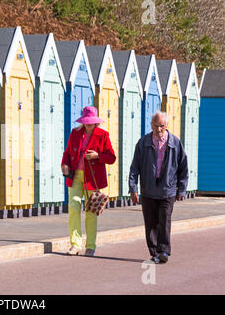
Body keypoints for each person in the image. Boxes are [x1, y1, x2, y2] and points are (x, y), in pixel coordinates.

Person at [129, 112, 188, 264]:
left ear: (167, 125)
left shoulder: (175, 143)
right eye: (156, 125)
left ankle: (164, 251)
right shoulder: (143, 143)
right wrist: (133, 188)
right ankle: (154, 251)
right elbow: (134, 168)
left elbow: (183, 168)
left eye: (162, 126)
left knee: (165, 220)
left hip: (167, 191)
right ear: (151, 125)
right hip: (148, 191)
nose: (159, 129)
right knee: (150, 223)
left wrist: (181, 189)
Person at [61, 106, 116, 256]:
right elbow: (67, 153)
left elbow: (112, 158)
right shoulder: (75, 133)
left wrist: (98, 156)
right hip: (75, 177)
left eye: (91, 122)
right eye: (86, 122)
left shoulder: (103, 135)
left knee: (91, 212)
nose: (88, 125)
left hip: (93, 179)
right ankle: (75, 244)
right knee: (73, 207)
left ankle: (90, 245)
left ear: (96, 122)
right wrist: (64, 165)